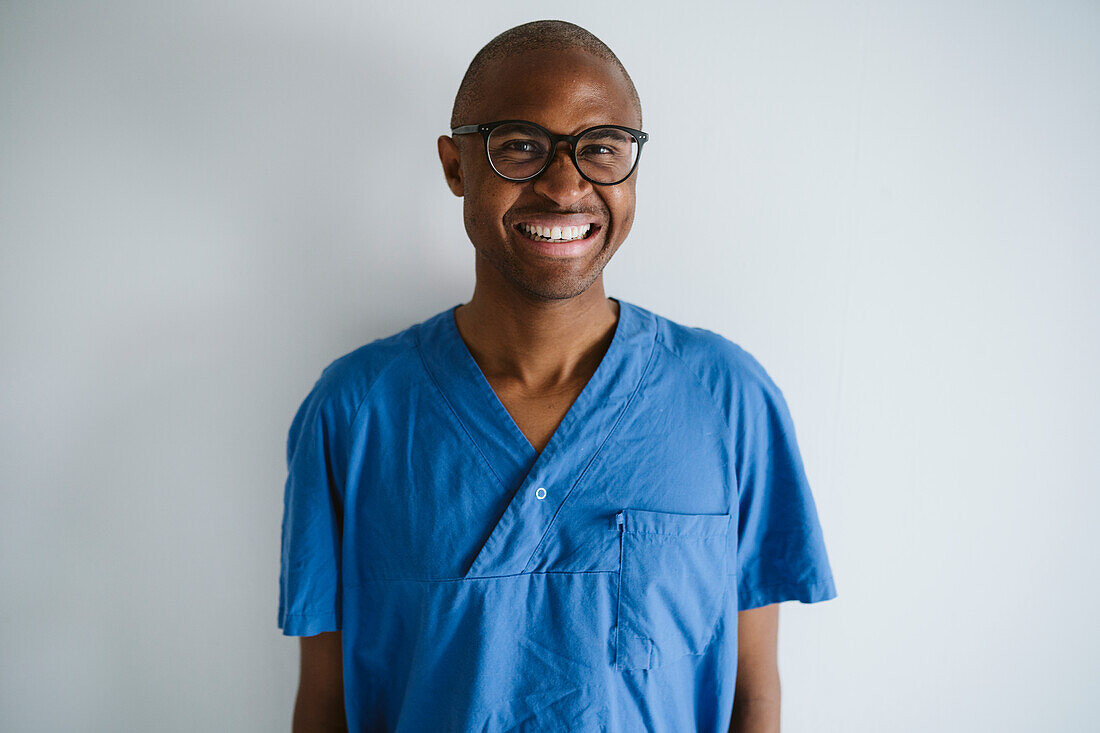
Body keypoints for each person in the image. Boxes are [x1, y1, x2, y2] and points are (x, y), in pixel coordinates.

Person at [279, 19, 836, 733]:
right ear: (456, 166)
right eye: (521, 146)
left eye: (602, 148)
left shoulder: (728, 400)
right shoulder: (354, 414)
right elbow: (324, 706)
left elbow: (753, 696)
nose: (566, 184)